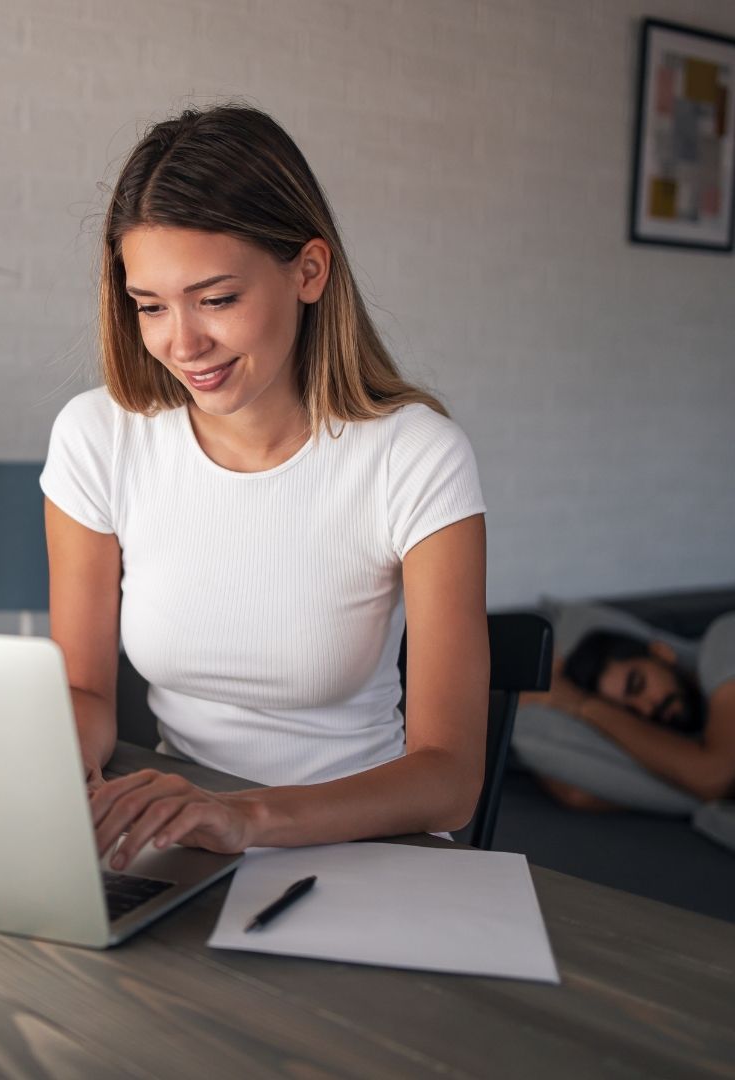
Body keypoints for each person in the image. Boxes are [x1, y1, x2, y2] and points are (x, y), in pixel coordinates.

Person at [40, 104, 488, 873]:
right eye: (150, 306)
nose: (183, 344)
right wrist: (43, 770)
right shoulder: (99, 437)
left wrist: (242, 817)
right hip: (186, 842)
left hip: (370, 848)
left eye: (216, 299)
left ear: (308, 271)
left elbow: (448, 779)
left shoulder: (415, 456)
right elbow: (83, 694)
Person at [515, 606, 735, 811]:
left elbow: (714, 778)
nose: (646, 709)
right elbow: (578, 795)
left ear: (661, 652)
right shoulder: (690, 747)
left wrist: (583, 705)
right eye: (630, 713)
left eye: (637, 684)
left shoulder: (723, 641)